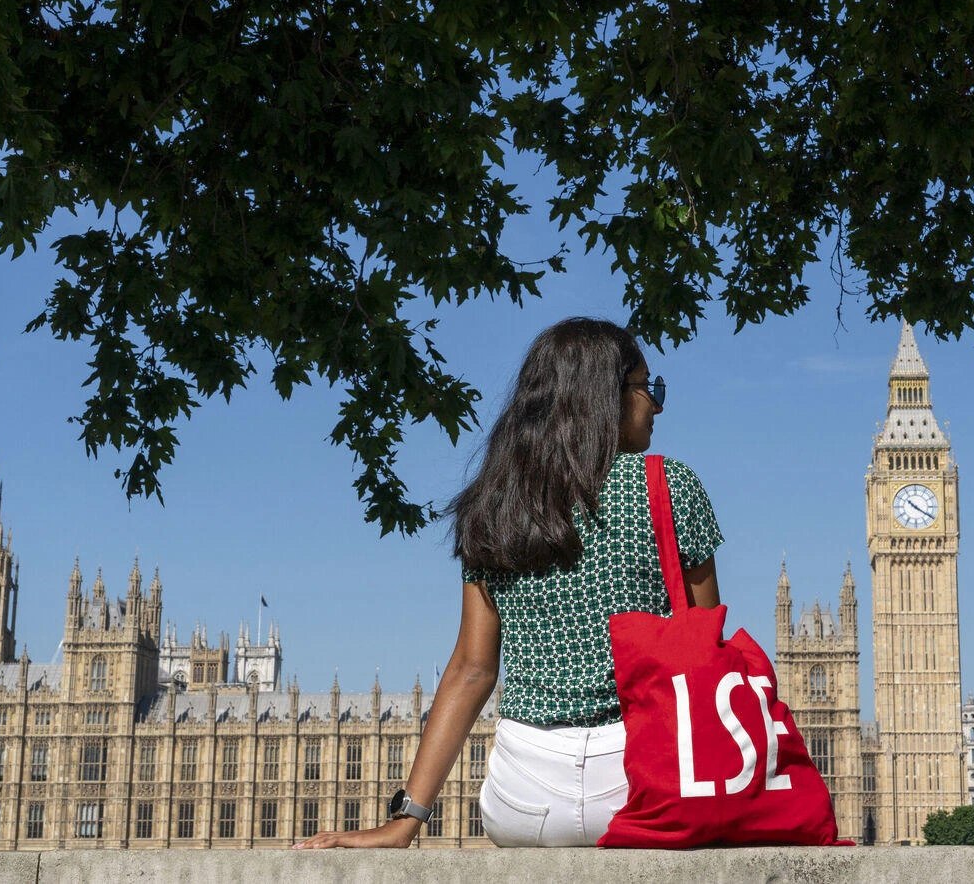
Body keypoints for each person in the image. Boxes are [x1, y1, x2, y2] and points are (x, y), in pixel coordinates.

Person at [295, 318, 722, 849]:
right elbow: (706, 650)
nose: (656, 405)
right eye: (646, 388)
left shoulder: (494, 507)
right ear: (602, 398)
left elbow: (472, 670)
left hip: (527, 796)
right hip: (645, 781)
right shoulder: (669, 485)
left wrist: (404, 820)